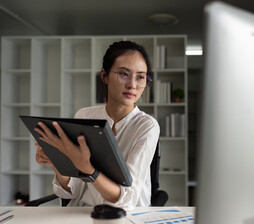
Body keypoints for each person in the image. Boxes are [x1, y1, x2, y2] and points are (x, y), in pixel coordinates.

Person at [34, 41, 160, 211]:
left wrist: (88, 169)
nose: (132, 85)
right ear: (104, 76)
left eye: (140, 77)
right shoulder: (84, 116)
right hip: (81, 214)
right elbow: (71, 192)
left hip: (127, 218)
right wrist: (57, 161)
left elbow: (127, 199)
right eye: (124, 74)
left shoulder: (147, 126)